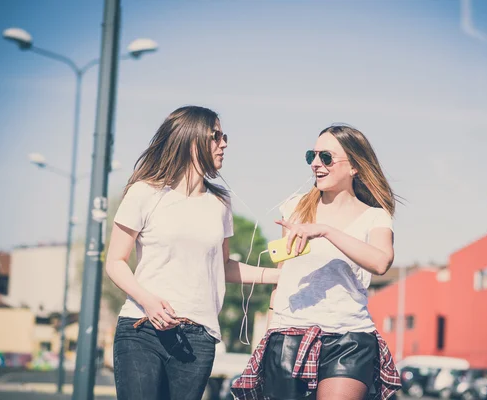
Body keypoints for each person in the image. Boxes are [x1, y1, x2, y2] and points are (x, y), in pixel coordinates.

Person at [106, 106, 280, 400]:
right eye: (216, 136)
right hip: (141, 328)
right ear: (190, 140)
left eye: (224, 136)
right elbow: (115, 262)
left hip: (199, 337)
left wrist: (279, 275)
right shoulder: (144, 193)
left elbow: (223, 266)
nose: (224, 143)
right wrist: (148, 301)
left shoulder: (220, 203)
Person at [232, 124, 402, 400]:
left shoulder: (376, 217)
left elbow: (381, 262)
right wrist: (269, 329)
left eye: (326, 157)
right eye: (312, 155)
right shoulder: (295, 207)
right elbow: (283, 272)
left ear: (354, 167)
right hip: (288, 333)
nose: (315, 164)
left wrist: (326, 230)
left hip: (350, 338)